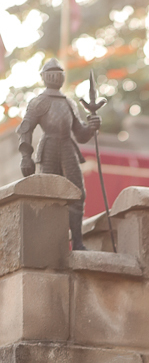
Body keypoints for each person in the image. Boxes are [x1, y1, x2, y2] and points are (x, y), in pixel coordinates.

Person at [17, 58, 101, 251]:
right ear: (45, 76)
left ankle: (77, 242)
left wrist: (92, 127)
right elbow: (25, 129)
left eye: (58, 72)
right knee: (49, 193)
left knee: (77, 193)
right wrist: (26, 156)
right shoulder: (39, 102)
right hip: (49, 147)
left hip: (68, 147)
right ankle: (49, 242)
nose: (56, 76)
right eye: (52, 72)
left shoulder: (69, 102)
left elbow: (80, 134)